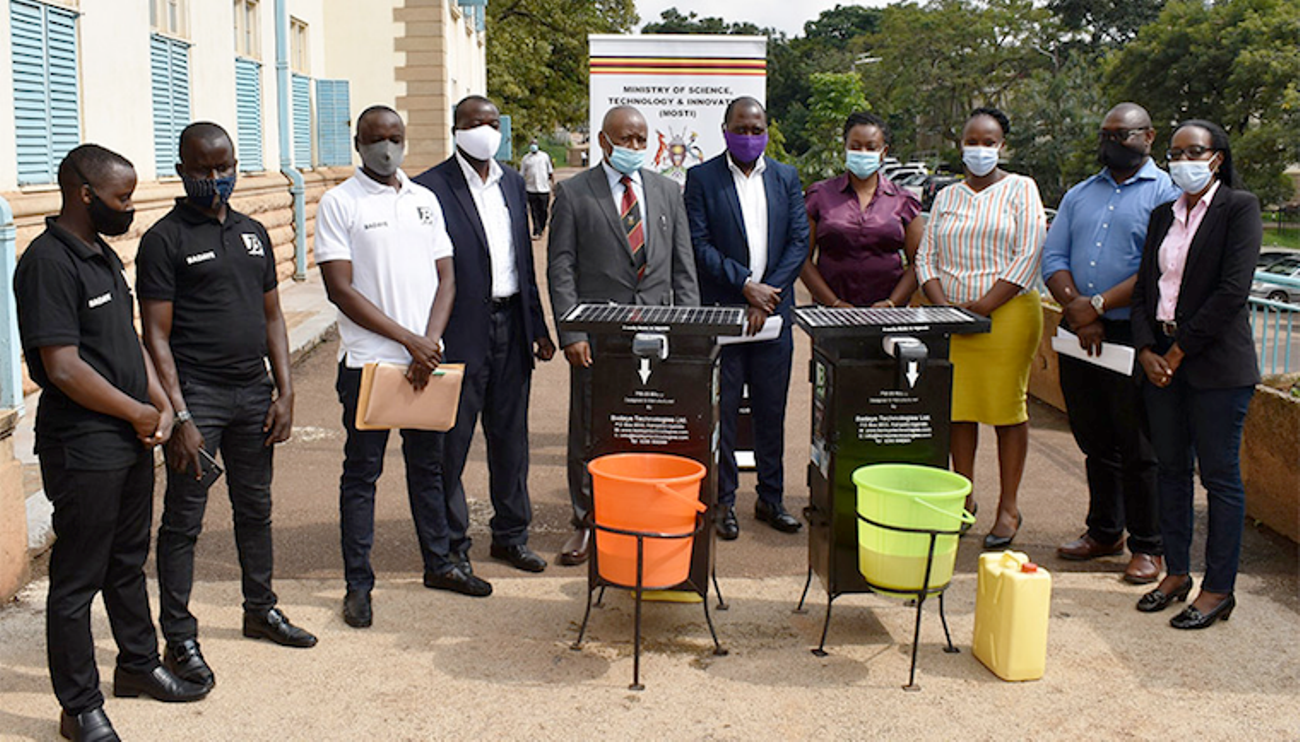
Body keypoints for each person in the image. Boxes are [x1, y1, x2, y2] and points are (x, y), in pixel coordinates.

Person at [15, 144, 208, 742]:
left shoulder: (101, 253)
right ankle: (80, 707)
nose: (129, 208)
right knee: (78, 577)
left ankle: (138, 665)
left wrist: (162, 411)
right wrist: (135, 412)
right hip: (84, 444)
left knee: (128, 562)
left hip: (129, 437)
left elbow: (128, 345)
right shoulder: (47, 261)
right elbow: (64, 367)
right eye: (121, 198)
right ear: (84, 193)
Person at [137, 122, 317, 690]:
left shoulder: (253, 233)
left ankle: (259, 608)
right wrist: (181, 416)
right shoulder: (164, 240)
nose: (215, 180)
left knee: (255, 508)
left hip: (252, 392)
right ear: (182, 169)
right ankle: (180, 637)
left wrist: (284, 391)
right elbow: (155, 336)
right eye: (203, 170)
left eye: (223, 168)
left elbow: (272, 317)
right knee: (184, 519)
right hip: (200, 398)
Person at [318, 105, 488, 630]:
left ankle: (439, 564)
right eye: (375, 139)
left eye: (394, 137)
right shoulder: (338, 203)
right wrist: (409, 341)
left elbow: (447, 277)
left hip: (423, 363)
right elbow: (340, 289)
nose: (386, 148)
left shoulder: (424, 200)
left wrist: (430, 341)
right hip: (372, 364)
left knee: (430, 468)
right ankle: (358, 585)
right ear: (358, 143)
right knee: (363, 473)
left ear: (405, 141)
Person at [547, 104, 700, 565]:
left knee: (651, 425)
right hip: (598, 339)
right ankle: (587, 522)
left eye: (640, 139)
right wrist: (572, 331)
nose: (633, 147)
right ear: (603, 141)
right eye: (624, 139)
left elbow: (682, 267)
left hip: (659, 335)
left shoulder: (668, 191)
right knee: (592, 428)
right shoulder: (574, 193)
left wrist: (687, 333)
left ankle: (645, 517)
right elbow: (561, 267)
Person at [413, 96, 556, 575]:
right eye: (475, 123)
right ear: (456, 129)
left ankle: (511, 536)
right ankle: (452, 545)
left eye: (492, 123)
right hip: (457, 333)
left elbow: (522, 261)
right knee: (450, 445)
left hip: (512, 326)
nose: (485, 130)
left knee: (511, 440)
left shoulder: (513, 183)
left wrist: (537, 326)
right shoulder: (429, 189)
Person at [1041, 103, 1182, 584]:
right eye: (1106, 135)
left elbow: (1157, 269)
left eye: (1123, 135)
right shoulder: (1081, 193)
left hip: (1134, 333)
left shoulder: (1167, 194)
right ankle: (1104, 531)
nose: (1112, 144)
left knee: (1139, 444)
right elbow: (1053, 255)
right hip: (1080, 332)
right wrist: (1078, 307)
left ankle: (1149, 545)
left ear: (1149, 135)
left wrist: (1096, 306)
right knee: (1094, 437)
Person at [1131, 119, 1261, 629]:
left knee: (1220, 478)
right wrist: (1146, 349)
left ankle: (1218, 589)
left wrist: (1179, 352)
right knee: (1170, 470)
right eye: (1175, 151)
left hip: (1215, 366)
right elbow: (1145, 288)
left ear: (1217, 158)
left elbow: (1231, 292)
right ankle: (1176, 573)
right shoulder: (1165, 213)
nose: (1183, 160)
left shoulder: (1239, 208)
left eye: (1194, 151)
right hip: (1160, 360)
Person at [914, 107, 1046, 550]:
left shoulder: (1021, 189)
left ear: (1002, 146)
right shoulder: (947, 196)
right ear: (961, 145)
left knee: (1006, 410)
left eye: (989, 142)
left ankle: (1009, 506)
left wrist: (983, 308)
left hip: (1006, 317)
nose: (980, 149)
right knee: (958, 410)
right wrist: (943, 307)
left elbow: (1028, 253)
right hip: (949, 317)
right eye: (973, 141)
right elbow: (925, 256)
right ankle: (963, 496)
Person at [684, 96, 810, 540]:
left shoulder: (786, 177)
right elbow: (698, 245)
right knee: (724, 413)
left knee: (771, 412)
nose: (749, 136)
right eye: (741, 129)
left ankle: (771, 499)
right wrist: (744, 286)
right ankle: (724, 501)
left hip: (774, 318)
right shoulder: (701, 178)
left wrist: (765, 296)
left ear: (767, 133)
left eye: (757, 130)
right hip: (725, 315)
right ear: (725, 131)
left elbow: (799, 241)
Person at [801, 112, 923, 309]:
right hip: (830, 315)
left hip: (888, 316)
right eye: (856, 146)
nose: (863, 152)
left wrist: (892, 303)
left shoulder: (904, 201)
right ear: (846, 148)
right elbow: (802, 259)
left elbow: (918, 262)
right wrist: (834, 303)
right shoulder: (818, 195)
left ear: (883, 152)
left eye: (871, 147)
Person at [519, 138, 554, 238]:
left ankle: (542, 227)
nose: (533, 145)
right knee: (534, 211)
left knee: (543, 210)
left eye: (535, 144)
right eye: (531, 144)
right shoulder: (526, 159)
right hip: (531, 188)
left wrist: (553, 184)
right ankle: (536, 230)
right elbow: (522, 174)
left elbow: (550, 171)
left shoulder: (544, 157)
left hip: (544, 188)